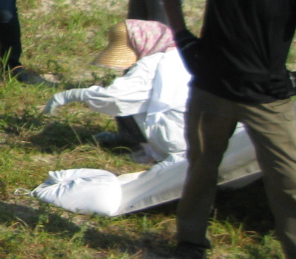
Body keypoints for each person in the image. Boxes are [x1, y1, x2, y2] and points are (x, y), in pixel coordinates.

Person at [160, 0, 296, 259]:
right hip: (212, 88)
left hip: (268, 99)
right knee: (201, 168)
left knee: (288, 181)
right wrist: (184, 39)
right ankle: (190, 243)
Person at [45, 20, 190, 162]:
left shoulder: (151, 64)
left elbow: (114, 97)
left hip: (171, 140)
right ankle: (129, 138)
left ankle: (139, 145)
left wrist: (74, 94)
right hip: (195, 136)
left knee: (125, 102)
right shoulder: (184, 56)